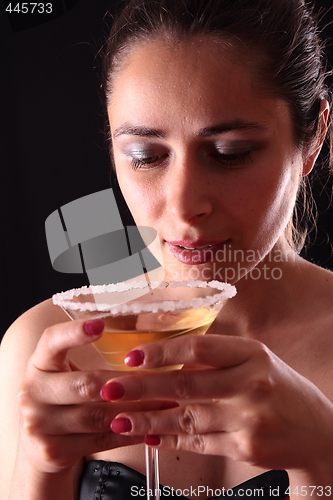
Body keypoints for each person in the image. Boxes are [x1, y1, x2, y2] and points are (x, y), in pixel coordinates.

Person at [1, 0, 333, 498]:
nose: (182, 206)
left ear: (312, 141)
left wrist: (323, 456)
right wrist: (41, 467)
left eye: (230, 153)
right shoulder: (44, 347)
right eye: (146, 156)